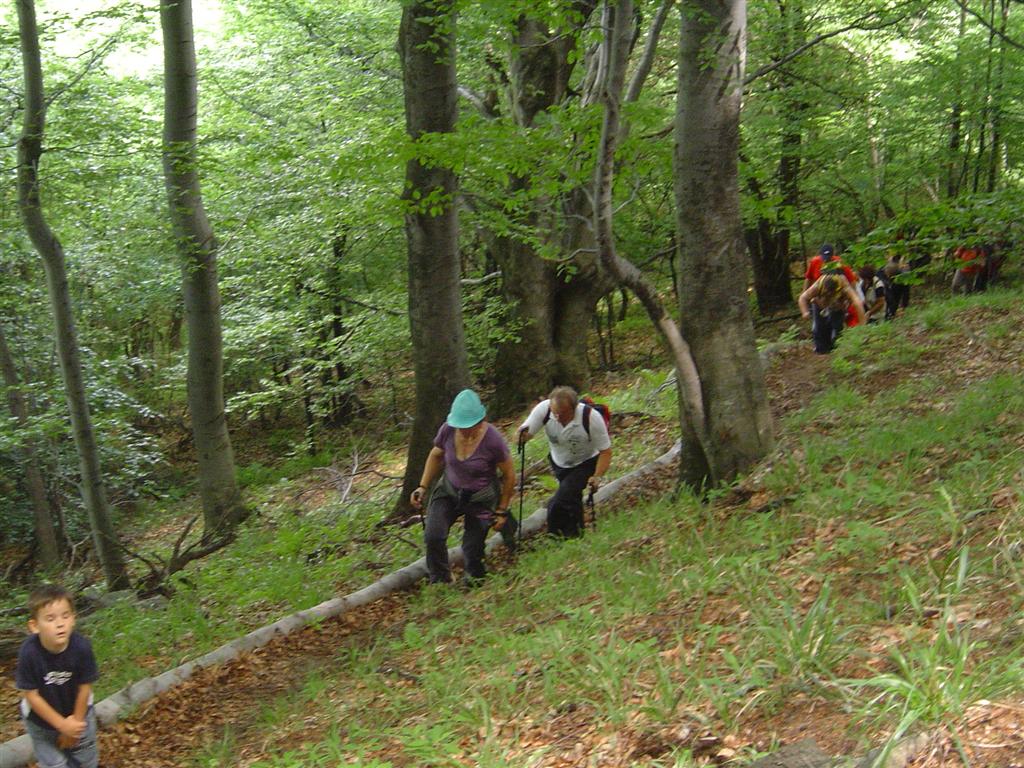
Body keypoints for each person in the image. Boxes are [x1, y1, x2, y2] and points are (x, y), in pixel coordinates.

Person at [410, 389, 516, 585]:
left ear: (480, 421)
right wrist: (422, 487)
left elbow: (509, 475)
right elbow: (435, 455)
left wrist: (501, 510)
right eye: (460, 426)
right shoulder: (448, 430)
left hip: (481, 498)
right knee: (433, 535)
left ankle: (476, 578)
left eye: (468, 426)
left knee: (472, 550)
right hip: (449, 491)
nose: (464, 430)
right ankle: (440, 580)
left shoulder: (493, 440)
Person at [15, 584, 99, 768]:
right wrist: (62, 726)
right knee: (54, 763)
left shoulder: (81, 647)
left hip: (79, 714)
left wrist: (74, 726)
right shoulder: (29, 652)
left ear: (73, 619)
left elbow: (85, 688)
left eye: (65, 616)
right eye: (50, 618)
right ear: (34, 626)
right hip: (41, 721)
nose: (60, 624)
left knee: (85, 760)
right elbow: (31, 696)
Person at [517, 386, 612, 539]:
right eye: (555, 413)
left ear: (574, 408)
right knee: (571, 497)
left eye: (562, 414)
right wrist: (522, 437)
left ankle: (554, 535)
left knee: (560, 499)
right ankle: (576, 535)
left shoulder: (590, 418)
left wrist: (597, 476)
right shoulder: (544, 410)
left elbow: (606, 452)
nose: (557, 417)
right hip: (559, 463)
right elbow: (524, 433)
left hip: (586, 462)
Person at [798, 274, 866, 354]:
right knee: (820, 327)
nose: (829, 295)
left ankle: (838, 348)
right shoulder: (816, 287)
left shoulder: (844, 287)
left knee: (838, 327)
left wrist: (863, 326)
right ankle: (821, 350)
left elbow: (857, 303)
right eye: (827, 293)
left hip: (838, 305)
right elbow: (802, 298)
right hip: (820, 304)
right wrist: (805, 312)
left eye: (830, 293)